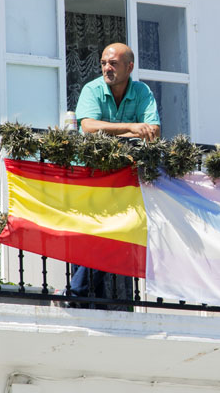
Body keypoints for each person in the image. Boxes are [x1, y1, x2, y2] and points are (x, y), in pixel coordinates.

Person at [67, 43, 160, 307]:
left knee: (117, 235)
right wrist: (131, 127)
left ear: (129, 67)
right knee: (91, 234)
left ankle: (111, 300)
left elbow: (153, 132)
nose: (107, 68)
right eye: (104, 63)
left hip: (124, 181)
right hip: (92, 177)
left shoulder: (142, 91)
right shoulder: (92, 89)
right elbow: (88, 127)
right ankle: (78, 296)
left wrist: (113, 130)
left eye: (114, 63)